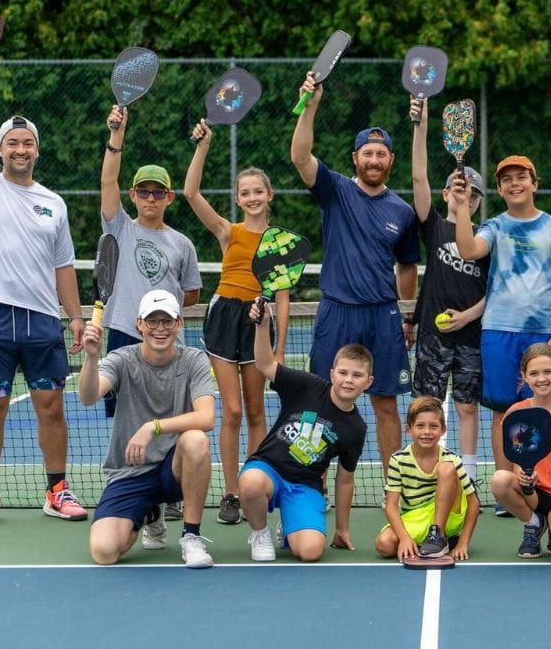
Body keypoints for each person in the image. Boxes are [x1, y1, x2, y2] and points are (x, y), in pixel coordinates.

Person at [0, 44, 87, 528]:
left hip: (44, 320)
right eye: (12, 143)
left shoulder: (54, 204)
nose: (20, 149)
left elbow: (63, 266)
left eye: (28, 143)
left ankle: (57, 490)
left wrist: (76, 318)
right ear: (0, 149)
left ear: (36, 151)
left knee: (52, 407)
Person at [290, 73, 419, 481]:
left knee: (386, 404)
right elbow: (300, 156)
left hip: (382, 317)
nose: (374, 160)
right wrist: (310, 105)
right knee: (320, 400)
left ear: (390, 161)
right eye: (368, 154)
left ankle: (393, 487)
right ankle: (313, 484)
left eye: (381, 154)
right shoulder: (336, 190)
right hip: (337, 312)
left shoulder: (402, 211)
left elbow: (407, 267)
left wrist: (408, 316)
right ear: (355, 158)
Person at [452, 155, 551, 514]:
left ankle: (545, 484)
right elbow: (468, 250)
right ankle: (507, 486)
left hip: (541, 333)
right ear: (500, 189)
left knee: (544, 409)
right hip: (498, 331)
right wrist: (461, 208)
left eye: (521, 177)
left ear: (534, 183)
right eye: (507, 179)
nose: (514, 183)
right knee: (503, 411)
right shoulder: (494, 226)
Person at [185, 119, 292, 526]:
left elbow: (282, 296)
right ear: (238, 198)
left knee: (255, 410)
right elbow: (191, 193)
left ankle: (255, 485)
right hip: (224, 318)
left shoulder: (280, 241)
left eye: (257, 191)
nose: (251, 197)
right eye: (244, 192)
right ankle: (230, 493)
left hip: (258, 323)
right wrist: (203, 146)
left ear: (269, 195)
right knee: (229, 410)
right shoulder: (228, 232)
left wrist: (278, 349)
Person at [78, 290, 216, 568]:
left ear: (178, 324)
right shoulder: (121, 359)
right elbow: (88, 396)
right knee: (104, 552)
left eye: (167, 321)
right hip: (130, 470)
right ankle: (148, 514)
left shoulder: (194, 360)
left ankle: (191, 536)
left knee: (196, 440)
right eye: (152, 321)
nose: (160, 329)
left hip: (173, 468)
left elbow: (206, 417)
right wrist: (92, 357)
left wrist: (152, 427)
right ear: (139, 324)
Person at [238, 301, 370, 562]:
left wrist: (342, 529)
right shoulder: (306, 385)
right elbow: (264, 365)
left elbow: (344, 480)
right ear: (332, 374)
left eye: (357, 375)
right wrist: (263, 326)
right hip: (269, 469)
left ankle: (289, 524)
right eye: (343, 372)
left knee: (310, 552)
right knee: (251, 483)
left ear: (368, 382)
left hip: (304, 485)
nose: (348, 380)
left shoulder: (356, 428)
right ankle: (260, 532)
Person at [99, 105, 202, 419]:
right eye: (144, 192)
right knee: (125, 420)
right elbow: (107, 182)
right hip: (123, 334)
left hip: (165, 336)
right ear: (132, 195)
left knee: (168, 417)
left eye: (158, 193)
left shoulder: (183, 244)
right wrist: (117, 134)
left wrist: (160, 319)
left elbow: (192, 293)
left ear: (170, 198)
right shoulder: (119, 227)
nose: (151, 199)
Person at [409, 97, 488, 483]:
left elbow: (496, 290)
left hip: (471, 335)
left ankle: (468, 474)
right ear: (447, 194)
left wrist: (468, 316)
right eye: (460, 191)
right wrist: (420, 126)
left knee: (467, 405)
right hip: (432, 335)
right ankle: (428, 469)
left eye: (473, 195)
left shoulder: (488, 238)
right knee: (428, 404)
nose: (466, 198)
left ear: (478, 202)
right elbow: (419, 178)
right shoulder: (435, 228)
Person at [491, 344, 551, 564]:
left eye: (548, 372)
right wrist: (523, 476)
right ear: (524, 376)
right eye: (534, 373)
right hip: (531, 493)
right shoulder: (516, 414)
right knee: (500, 480)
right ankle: (534, 523)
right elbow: (516, 460)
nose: (541, 379)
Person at [375, 395, 481, 561]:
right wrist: (403, 538)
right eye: (420, 426)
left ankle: (438, 535)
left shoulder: (452, 458)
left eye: (433, 426)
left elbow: (473, 503)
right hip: (415, 517)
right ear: (409, 429)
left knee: (446, 468)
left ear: (443, 429)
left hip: (449, 515)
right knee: (384, 545)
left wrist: (463, 543)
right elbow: (390, 506)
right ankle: (437, 540)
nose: (427, 432)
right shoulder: (398, 460)